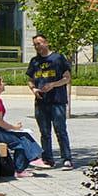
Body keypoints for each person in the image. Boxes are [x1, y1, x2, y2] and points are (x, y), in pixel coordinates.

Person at [0, 74, 50, 179]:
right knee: (21, 140)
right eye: (2, 81)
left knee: (21, 139)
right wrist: (14, 128)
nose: (4, 83)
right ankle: (31, 160)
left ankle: (25, 166)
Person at [26, 34, 73, 169]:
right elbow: (30, 80)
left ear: (46, 43)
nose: (37, 46)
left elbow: (67, 78)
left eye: (39, 43)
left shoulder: (58, 58)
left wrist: (53, 84)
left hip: (57, 101)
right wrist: (34, 89)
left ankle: (67, 158)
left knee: (60, 130)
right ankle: (48, 159)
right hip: (41, 102)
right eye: (35, 44)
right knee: (45, 132)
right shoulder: (34, 61)